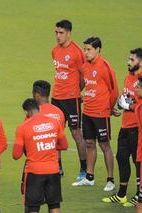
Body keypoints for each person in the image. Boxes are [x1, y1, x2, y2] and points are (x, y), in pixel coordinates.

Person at [102, 48, 142, 206]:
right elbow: (127, 97)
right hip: (125, 126)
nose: (128, 62)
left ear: (141, 62)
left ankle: (138, 194)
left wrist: (128, 107)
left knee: (138, 161)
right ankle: (122, 194)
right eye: (129, 59)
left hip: (137, 127)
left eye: (132, 60)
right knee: (121, 157)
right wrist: (119, 106)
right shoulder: (129, 77)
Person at [72, 37, 119, 192]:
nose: (86, 52)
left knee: (105, 145)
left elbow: (114, 91)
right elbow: (89, 84)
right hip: (88, 112)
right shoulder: (85, 66)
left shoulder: (105, 67)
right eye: (85, 49)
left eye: (89, 49)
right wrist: (85, 95)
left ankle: (110, 180)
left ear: (98, 49)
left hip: (101, 113)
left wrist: (110, 108)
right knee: (90, 143)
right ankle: (89, 177)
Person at [13, 99, 68, 213]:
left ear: (27, 112)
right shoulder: (54, 122)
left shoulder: (23, 127)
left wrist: (33, 145)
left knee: (33, 209)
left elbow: (16, 155)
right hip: (53, 170)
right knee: (54, 207)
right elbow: (64, 145)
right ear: (39, 108)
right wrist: (48, 144)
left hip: (34, 172)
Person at [51, 19, 86, 178]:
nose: (58, 36)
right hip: (56, 97)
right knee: (55, 133)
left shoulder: (77, 52)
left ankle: (84, 169)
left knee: (76, 133)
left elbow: (84, 76)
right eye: (56, 32)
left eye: (61, 33)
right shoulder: (54, 50)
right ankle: (58, 167)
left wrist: (76, 91)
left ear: (69, 33)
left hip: (71, 99)